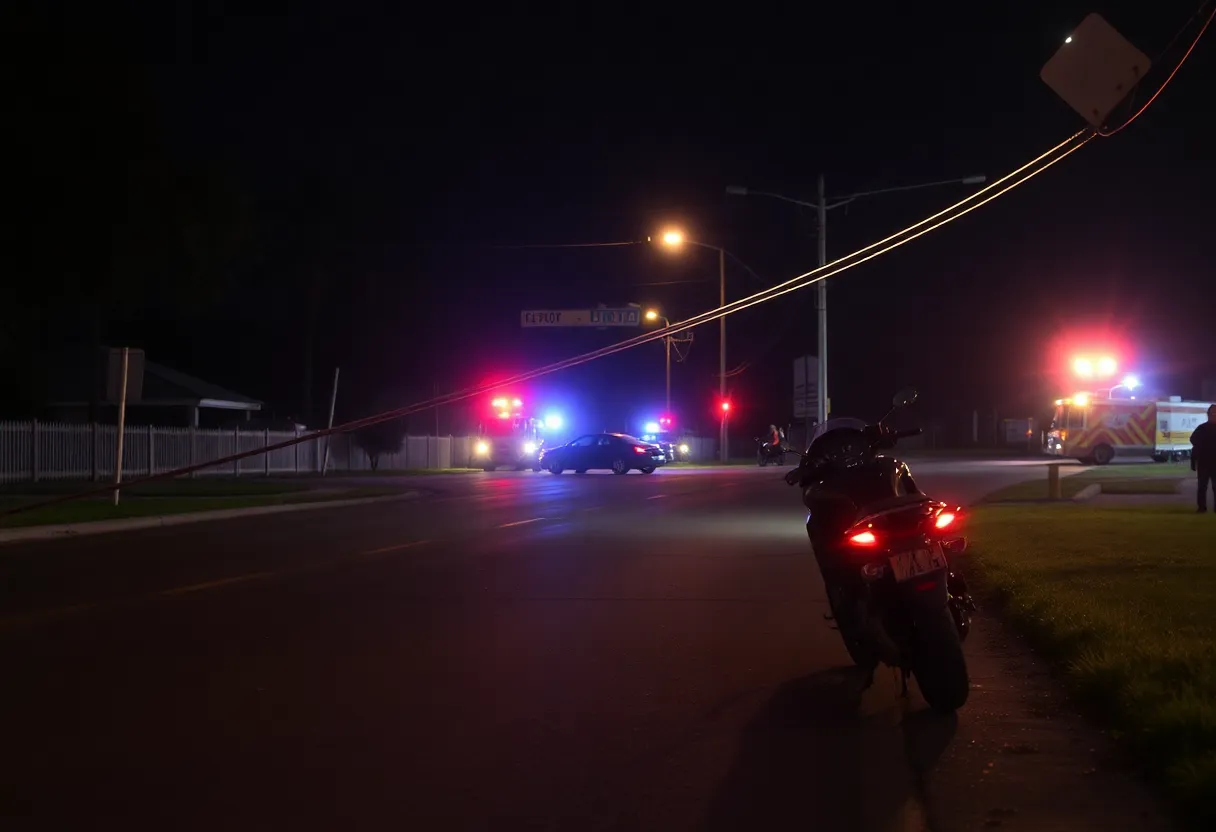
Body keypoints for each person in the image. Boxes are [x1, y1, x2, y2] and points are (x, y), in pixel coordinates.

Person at [1192, 404, 1216, 513]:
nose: (1213, 415)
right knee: (1202, 486)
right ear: (1208, 414)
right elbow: (1193, 440)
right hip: (1204, 462)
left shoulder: (1202, 428)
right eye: (1212, 413)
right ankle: (1202, 508)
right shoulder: (1202, 428)